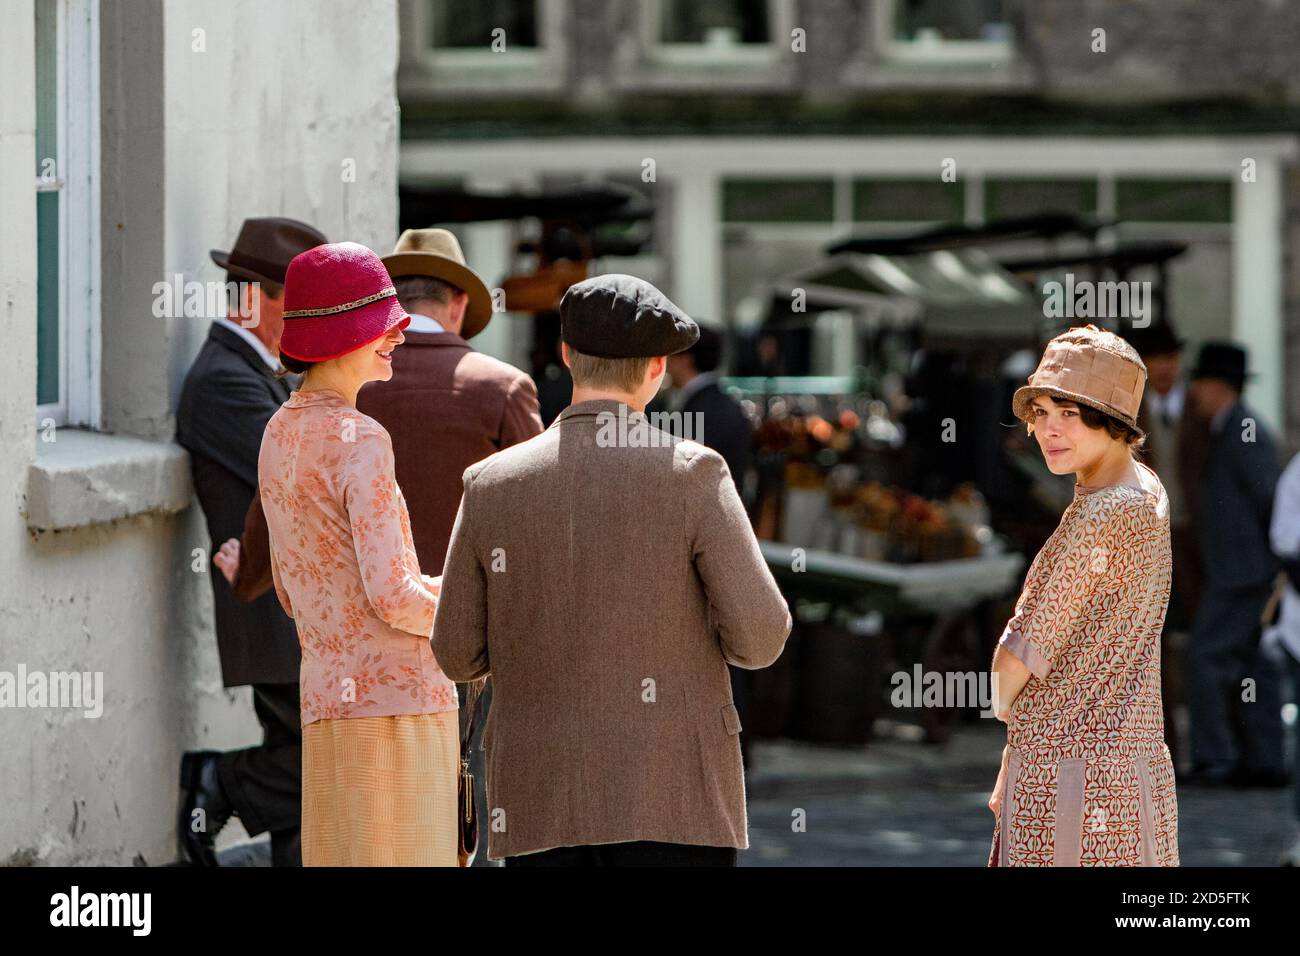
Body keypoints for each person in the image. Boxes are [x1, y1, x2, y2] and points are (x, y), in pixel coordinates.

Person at [433, 274, 792, 866]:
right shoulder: (694, 475)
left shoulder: (490, 484)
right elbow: (760, 639)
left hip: (540, 801)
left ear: (567, 356)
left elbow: (456, 652)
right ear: (657, 367)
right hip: (678, 801)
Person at [258, 242, 458, 866]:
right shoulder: (361, 437)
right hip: (400, 705)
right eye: (382, 325)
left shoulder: (279, 430)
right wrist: (472, 608)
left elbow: (292, 594)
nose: (397, 335)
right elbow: (394, 594)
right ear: (341, 336)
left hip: (326, 701)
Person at [989, 325, 1179, 866]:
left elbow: (1013, 666)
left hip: (1069, 787)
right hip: (1132, 774)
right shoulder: (1145, 487)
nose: (1049, 429)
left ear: (1115, 423)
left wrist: (1012, 714)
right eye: (1042, 412)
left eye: (1070, 413)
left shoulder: (1103, 514)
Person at [175, 216, 326, 867]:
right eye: (305, 305)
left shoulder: (257, 372)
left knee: (316, 759)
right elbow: (307, 473)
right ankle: (223, 783)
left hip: (293, 609)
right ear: (260, 299)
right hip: (270, 612)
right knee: (317, 758)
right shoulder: (222, 379)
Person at [1182, 342, 1286, 787]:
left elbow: (1269, 498)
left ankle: (1217, 757)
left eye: (1201, 383)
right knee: (1250, 665)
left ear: (1218, 386)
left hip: (1244, 573)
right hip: (1239, 570)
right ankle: (1262, 759)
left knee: (1204, 657)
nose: (1196, 393)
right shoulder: (1229, 428)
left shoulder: (1244, 429)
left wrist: (1275, 566)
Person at [1125, 322, 1195, 769]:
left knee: (1191, 643)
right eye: (1157, 359)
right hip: (1145, 543)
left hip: (1189, 543)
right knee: (1152, 646)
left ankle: (1194, 746)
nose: (1166, 367)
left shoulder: (1197, 410)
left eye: (1172, 358)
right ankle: (1160, 748)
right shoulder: (1129, 414)